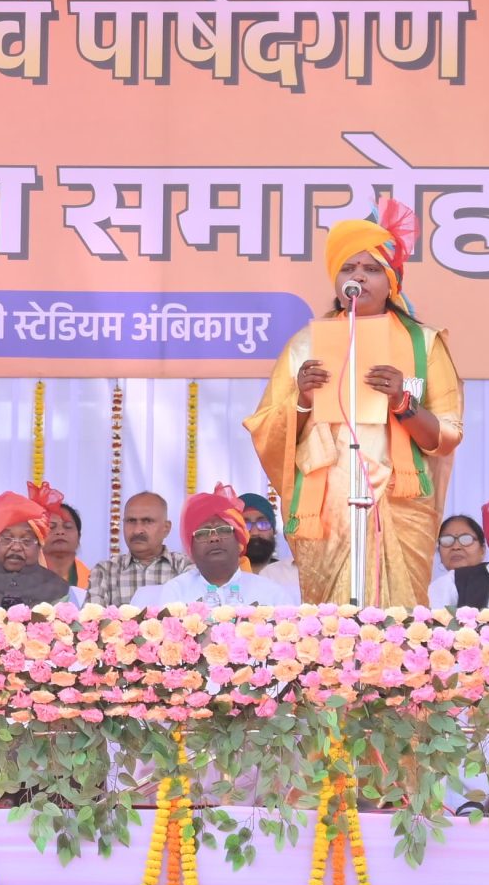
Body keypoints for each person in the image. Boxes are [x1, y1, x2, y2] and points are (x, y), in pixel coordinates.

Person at [245, 199, 466, 606]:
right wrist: (303, 400)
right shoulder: (304, 345)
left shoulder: (425, 344)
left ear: (392, 280)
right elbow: (266, 431)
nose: (359, 277)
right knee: (333, 623)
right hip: (328, 507)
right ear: (336, 279)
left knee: (400, 623)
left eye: (372, 268)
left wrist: (403, 402)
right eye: (348, 268)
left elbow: (448, 435)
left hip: (400, 503)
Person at [136, 487, 297, 607]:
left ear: (239, 543)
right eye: (203, 532)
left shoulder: (270, 593)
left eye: (223, 530)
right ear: (191, 548)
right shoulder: (176, 591)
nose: (214, 537)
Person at [85, 492, 186, 606]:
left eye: (147, 521)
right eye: (131, 521)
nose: (137, 530)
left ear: (166, 528)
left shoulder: (185, 567)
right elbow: (93, 616)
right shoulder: (105, 571)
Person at [239, 493, 304, 595]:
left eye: (263, 524)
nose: (255, 532)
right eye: (245, 525)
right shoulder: (223, 578)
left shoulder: (294, 574)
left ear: (274, 531)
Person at [38, 489, 91, 591]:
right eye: (51, 527)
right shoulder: (25, 578)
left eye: (68, 526)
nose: (60, 532)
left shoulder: (92, 581)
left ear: (79, 537)